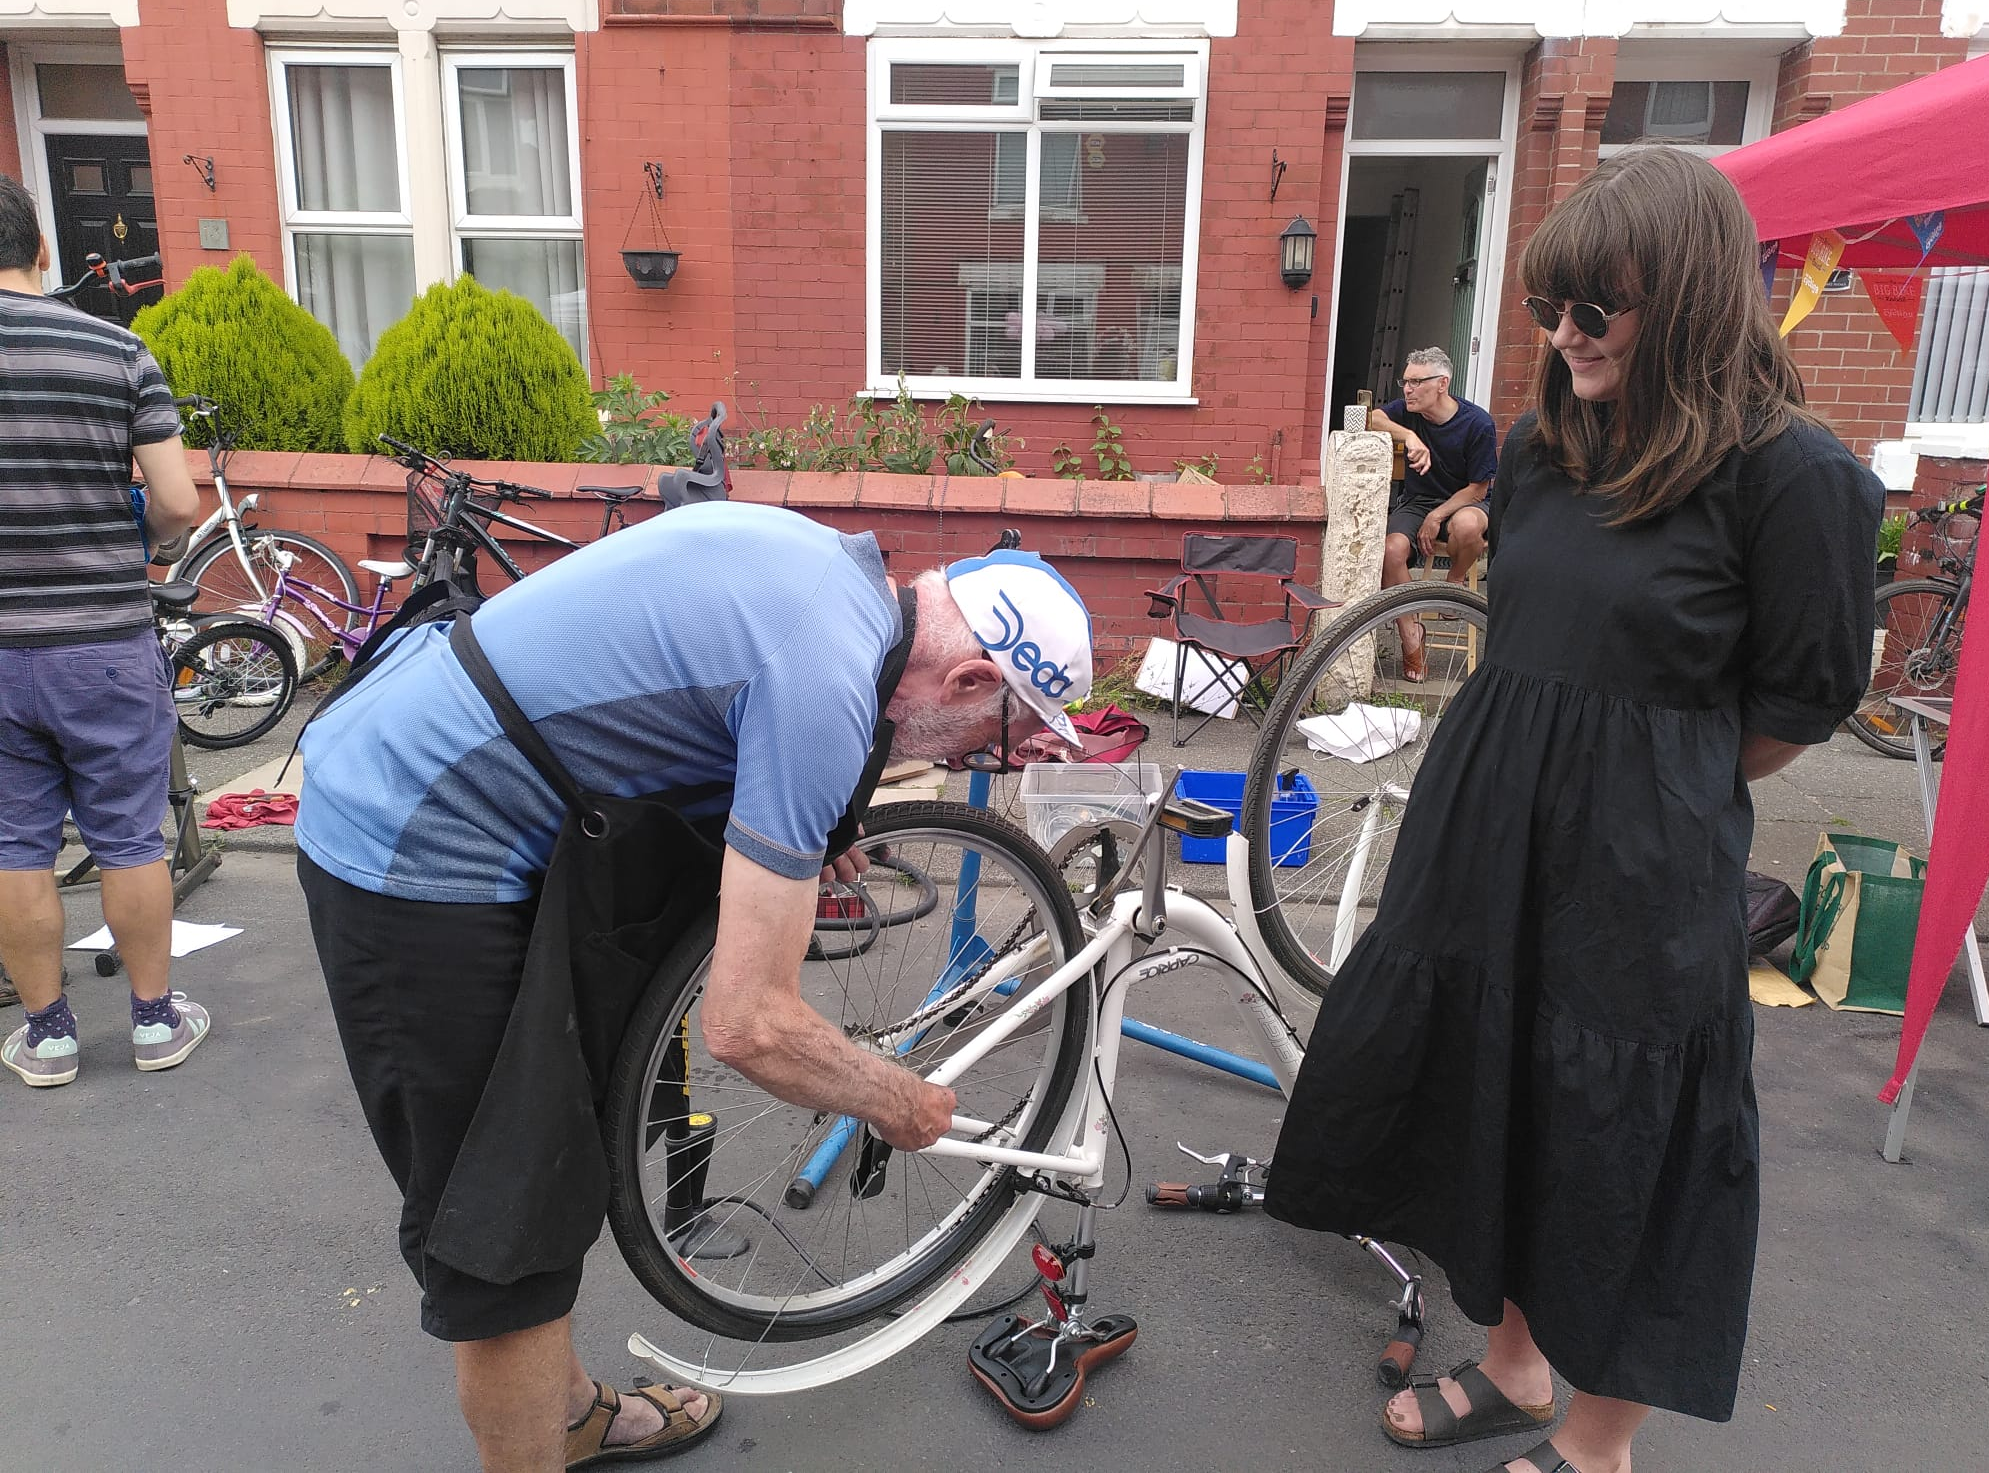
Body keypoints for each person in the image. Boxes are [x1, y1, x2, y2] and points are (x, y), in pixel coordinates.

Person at [1265, 145, 1881, 1473]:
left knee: (1623, 1135)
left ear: (1692, 295)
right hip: (1488, 833)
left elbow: (1800, 701)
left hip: (1642, 862)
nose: (1564, 332)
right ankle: (1514, 1367)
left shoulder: (1794, 477)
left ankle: (1599, 1445)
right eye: (1548, 306)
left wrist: (1652, 778)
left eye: (1595, 306)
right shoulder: (1547, 447)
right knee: (1507, 1093)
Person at [293, 502, 1092, 1473]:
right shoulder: (822, 684)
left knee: (550, 1151)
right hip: (411, 837)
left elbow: (686, 698)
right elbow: (748, 1025)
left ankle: (569, 1414)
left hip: (441, 752)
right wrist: (896, 1099)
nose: (977, 758)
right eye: (1001, 733)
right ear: (970, 680)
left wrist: (790, 829)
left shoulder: (837, 578)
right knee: (502, 1225)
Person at [0, 172, 210, 1090]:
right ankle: (156, 1021)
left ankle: (47, 1037)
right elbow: (177, 503)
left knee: (13, 844)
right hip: (102, 641)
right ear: (41, 247)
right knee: (129, 836)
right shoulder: (115, 351)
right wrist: (142, 538)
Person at [1369, 347, 1498, 680]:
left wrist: (1437, 515)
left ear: (1442, 383)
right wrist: (1409, 436)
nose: (1407, 389)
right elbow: (1373, 418)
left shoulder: (1477, 423)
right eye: (1405, 382)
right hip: (1418, 502)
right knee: (1390, 550)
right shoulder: (1409, 413)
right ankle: (1411, 636)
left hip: (1467, 502)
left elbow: (1478, 488)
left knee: (1467, 525)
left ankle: (1454, 582)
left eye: (1416, 382)